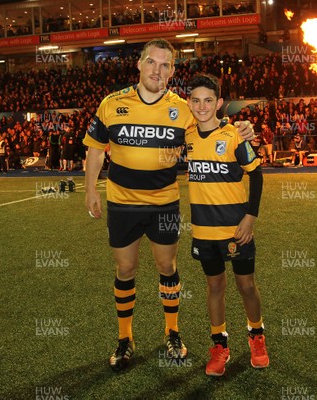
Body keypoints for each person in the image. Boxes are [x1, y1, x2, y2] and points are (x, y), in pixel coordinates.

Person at [83, 38, 254, 371]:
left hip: (163, 204)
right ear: (140, 64)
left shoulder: (183, 109)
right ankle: (125, 338)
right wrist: (90, 189)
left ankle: (172, 332)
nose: (157, 70)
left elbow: (212, 124)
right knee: (126, 269)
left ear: (172, 70)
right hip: (122, 203)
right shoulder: (112, 103)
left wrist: (241, 128)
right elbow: (95, 148)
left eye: (165, 65)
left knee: (167, 267)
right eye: (151, 62)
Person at [186, 73, 268, 376]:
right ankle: (219, 345)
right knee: (214, 286)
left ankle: (256, 336)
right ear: (189, 103)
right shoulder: (188, 135)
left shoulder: (235, 135)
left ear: (219, 103)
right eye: (196, 100)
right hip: (203, 231)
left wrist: (250, 217)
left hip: (236, 229)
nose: (202, 105)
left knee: (246, 285)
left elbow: (256, 175)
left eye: (208, 100)